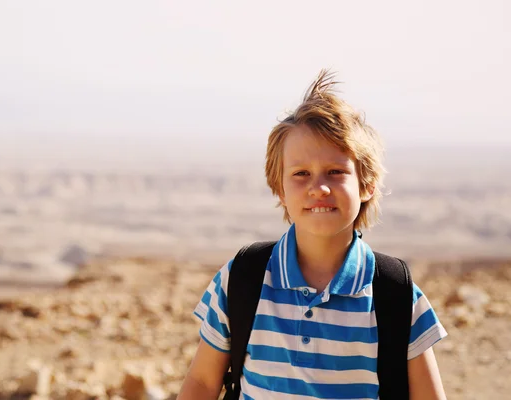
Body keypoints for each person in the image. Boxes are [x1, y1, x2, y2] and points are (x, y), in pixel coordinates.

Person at [177, 70, 448, 399]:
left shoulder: (395, 294)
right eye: (300, 174)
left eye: (335, 172)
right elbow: (203, 383)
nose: (318, 188)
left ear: (367, 185)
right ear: (280, 189)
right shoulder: (242, 278)